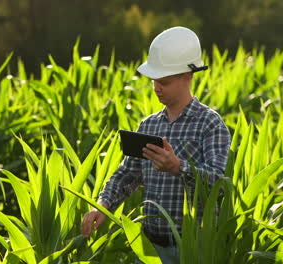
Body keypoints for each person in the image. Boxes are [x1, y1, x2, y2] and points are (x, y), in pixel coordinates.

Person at [81, 26, 231, 263]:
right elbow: (126, 175)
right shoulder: (149, 126)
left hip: (193, 251)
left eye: (165, 81)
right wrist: (102, 205)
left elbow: (219, 185)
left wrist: (177, 167)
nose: (157, 88)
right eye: (154, 81)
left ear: (187, 76)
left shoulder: (210, 124)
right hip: (149, 249)